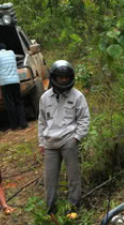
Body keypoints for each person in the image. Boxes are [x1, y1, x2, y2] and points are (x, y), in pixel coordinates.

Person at [38, 60, 90, 215]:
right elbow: (41, 121)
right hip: (49, 144)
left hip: (69, 141)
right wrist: (41, 142)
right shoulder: (45, 98)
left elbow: (84, 119)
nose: (64, 80)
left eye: (66, 77)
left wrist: (76, 138)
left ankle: (73, 208)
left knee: (73, 178)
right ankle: (51, 212)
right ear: (54, 77)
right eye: (60, 77)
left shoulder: (77, 96)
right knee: (50, 181)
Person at [0, 43, 27, 130]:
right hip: (15, 80)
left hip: (5, 82)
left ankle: (14, 126)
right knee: (19, 102)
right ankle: (23, 124)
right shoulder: (11, 52)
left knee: (10, 104)